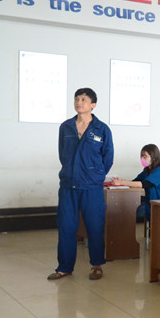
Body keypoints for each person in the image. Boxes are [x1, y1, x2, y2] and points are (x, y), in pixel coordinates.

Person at [49, 88, 114, 281]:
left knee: (95, 226)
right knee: (66, 226)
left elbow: (107, 157)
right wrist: (72, 171)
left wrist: (95, 174)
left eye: (84, 99)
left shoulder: (102, 129)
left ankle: (97, 265)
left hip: (92, 187)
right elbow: (62, 154)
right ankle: (64, 267)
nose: (79, 102)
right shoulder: (66, 127)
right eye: (77, 99)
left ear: (93, 105)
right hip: (68, 185)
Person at [111, 144, 160, 221]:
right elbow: (136, 181)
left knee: (130, 210)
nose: (142, 159)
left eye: (145, 157)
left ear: (153, 158)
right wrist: (121, 181)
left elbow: (145, 184)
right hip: (151, 202)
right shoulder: (147, 170)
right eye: (141, 156)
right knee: (126, 206)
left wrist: (122, 182)